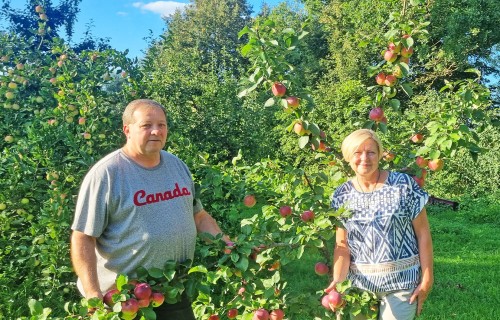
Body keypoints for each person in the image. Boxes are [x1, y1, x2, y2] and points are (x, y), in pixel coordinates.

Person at [70, 99, 229, 319]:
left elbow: (199, 216)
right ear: (127, 130)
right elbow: (83, 237)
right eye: (146, 125)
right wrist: (93, 294)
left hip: (171, 290)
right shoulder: (107, 174)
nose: (156, 131)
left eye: (162, 125)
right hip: (125, 299)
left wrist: (228, 245)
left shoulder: (177, 166)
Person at [325, 129, 433, 320]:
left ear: (380, 155)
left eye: (371, 152)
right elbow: (342, 246)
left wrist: (427, 279)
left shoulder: (403, 185)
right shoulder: (341, 195)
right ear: (348, 156)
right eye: (357, 152)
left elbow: (423, 234)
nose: (364, 158)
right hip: (359, 286)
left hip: (402, 283)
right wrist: (338, 282)